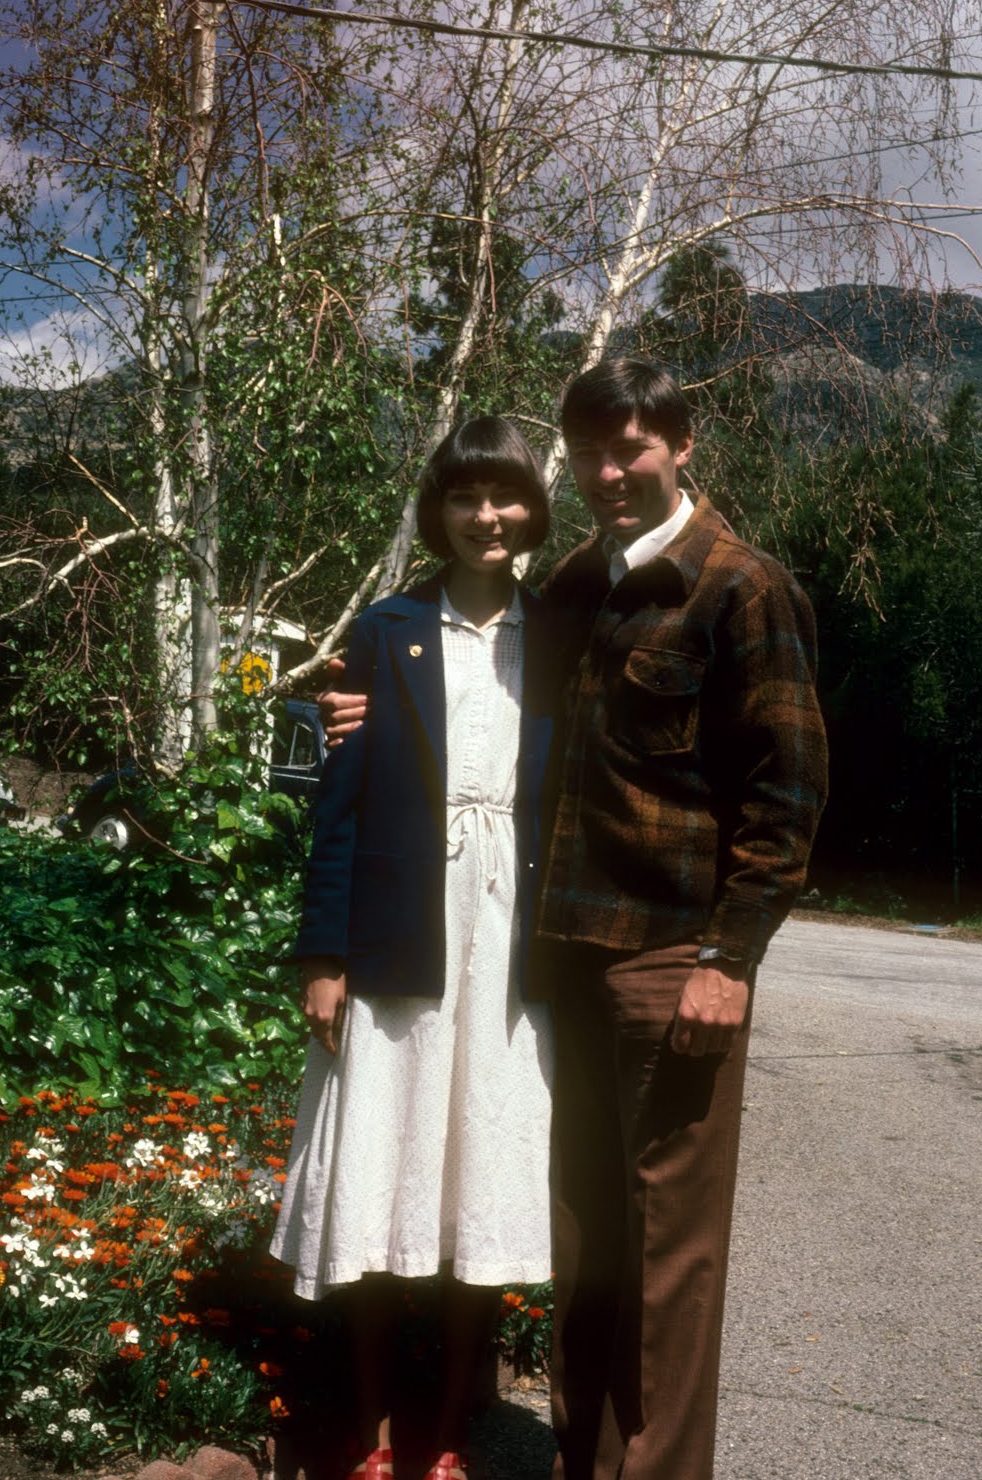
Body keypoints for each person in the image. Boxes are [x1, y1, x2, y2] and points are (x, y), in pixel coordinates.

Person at [321, 359, 828, 1480]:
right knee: (584, 1242)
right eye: (590, 451)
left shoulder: (741, 588)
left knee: (668, 1259)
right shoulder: (576, 590)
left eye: (631, 447)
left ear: (681, 446)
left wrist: (728, 958)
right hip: (559, 966)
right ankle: (580, 1461)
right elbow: (460, 693)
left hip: (670, 963)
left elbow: (787, 797)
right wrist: (346, 705)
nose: (609, 471)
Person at [271, 417, 558, 1480]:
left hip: (511, 947)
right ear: (438, 509)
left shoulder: (561, 631)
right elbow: (337, 805)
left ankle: (446, 1437)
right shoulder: (390, 627)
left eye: (507, 495)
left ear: (535, 506)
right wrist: (322, 955)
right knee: (381, 1173)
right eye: (465, 496)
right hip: (401, 931)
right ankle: (374, 1436)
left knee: (479, 1178)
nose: (487, 517)